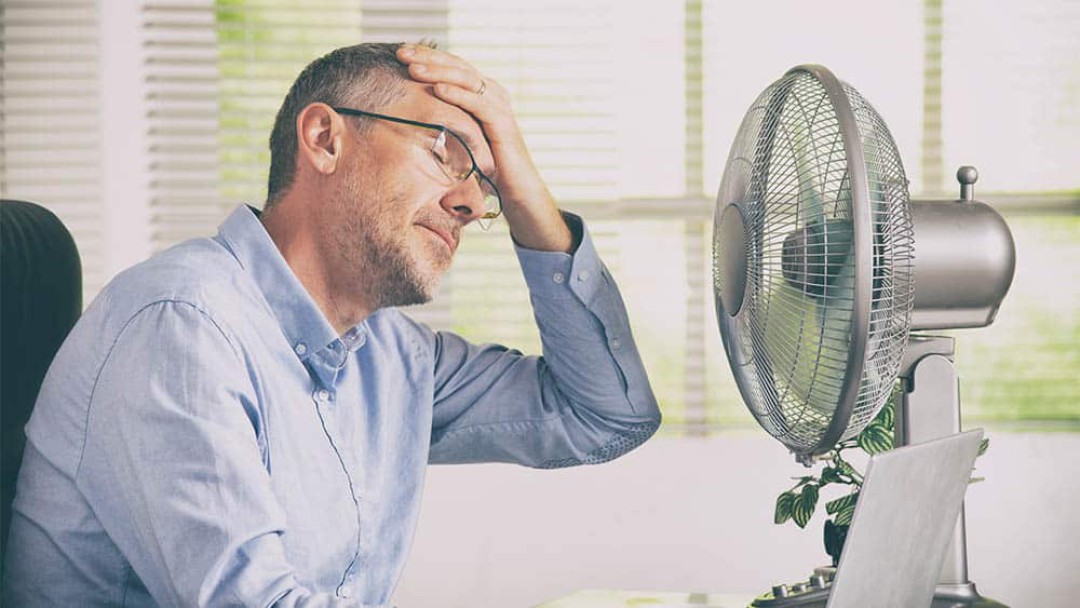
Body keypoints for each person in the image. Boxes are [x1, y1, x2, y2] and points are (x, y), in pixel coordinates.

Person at [3, 42, 660, 607]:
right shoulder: (180, 327)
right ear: (324, 139)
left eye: (488, 186)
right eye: (446, 153)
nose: (470, 202)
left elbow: (604, 418)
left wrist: (526, 193)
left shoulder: (391, 356)